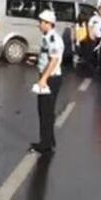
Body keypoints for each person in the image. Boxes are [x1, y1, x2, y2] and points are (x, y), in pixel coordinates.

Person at [31, 9, 64, 154]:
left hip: (51, 78)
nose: (39, 25)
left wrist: (43, 79)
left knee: (46, 111)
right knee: (45, 111)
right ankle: (49, 139)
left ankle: (45, 144)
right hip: (47, 76)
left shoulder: (53, 39)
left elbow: (54, 60)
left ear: (49, 24)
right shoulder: (47, 37)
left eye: (41, 22)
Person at [88, 3, 101, 78]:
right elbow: (90, 26)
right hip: (95, 38)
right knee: (94, 53)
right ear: (98, 10)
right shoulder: (94, 18)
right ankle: (93, 67)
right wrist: (91, 35)